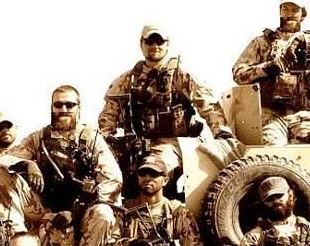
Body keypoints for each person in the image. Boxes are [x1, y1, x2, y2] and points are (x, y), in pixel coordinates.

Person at [99, 24, 239, 186]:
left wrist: (222, 134)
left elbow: (209, 106)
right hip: (136, 145)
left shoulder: (181, 76)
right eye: (149, 41)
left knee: (151, 172)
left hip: (174, 144)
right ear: (141, 44)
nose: (155, 46)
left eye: (159, 41)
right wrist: (106, 143)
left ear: (167, 44)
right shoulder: (127, 80)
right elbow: (108, 115)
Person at [7, 85, 123, 246]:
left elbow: (112, 179)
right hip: (46, 207)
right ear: (52, 107)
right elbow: (5, 159)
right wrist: (27, 164)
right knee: (3, 173)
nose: (63, 109)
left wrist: (76, 212)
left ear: (79, 108)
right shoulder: (40, 138)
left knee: (104, 214)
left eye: (69, 105)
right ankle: (15, 238)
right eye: (58, 105)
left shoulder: (90, 138)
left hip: (83, 209)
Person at [232, 0, 310, 146]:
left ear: (303, 14)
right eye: (285, 9)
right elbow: (238, 74)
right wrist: (268, 67)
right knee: (274, 150)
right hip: (272, 115)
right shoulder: (262, 43)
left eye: (295, 10)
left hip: (307, 115)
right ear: (280, 12)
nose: (289, 14)